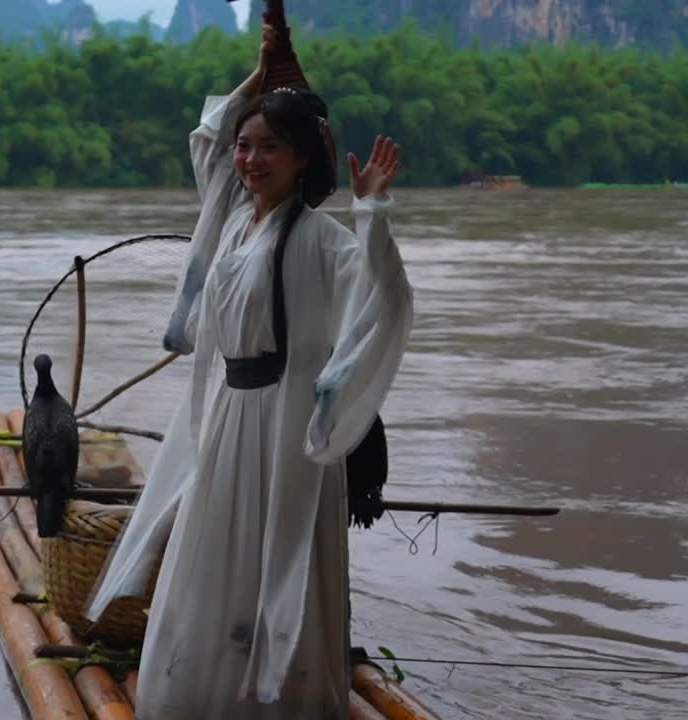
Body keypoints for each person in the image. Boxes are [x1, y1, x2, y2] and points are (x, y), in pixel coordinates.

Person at [84, 22, 414, 719]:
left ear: (302, 159)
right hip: (228, 415)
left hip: (288, 424)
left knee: (283, 561)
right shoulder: (229, 221)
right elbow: (207, 136)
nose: (250, 158)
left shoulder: (324, 242)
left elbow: (381, 302)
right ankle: (200, 694)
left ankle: (279, 699)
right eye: (247, 145)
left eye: (270, 147)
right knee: (210, 557)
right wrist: (260, 76)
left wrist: (373, 210)